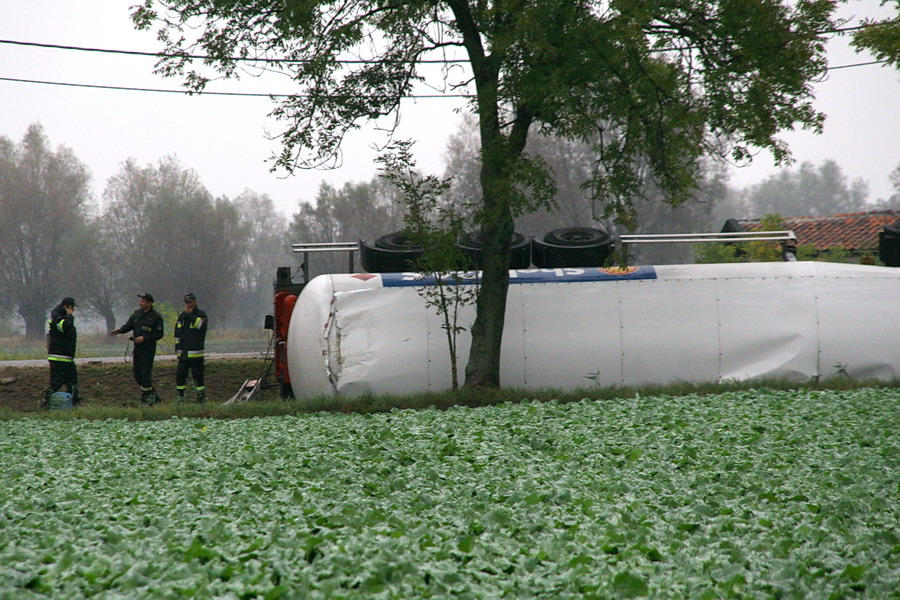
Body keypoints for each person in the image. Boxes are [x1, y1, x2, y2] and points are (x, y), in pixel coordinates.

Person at [110, 293, 165, 404]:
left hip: (148, 349)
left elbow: (159, 334)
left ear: (149, 303)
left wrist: (144, 338)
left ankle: (146, 400)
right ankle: (154, 397)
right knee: (138, 375)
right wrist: (120, 330)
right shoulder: (137, 314)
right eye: (140, 301)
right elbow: (129, 325)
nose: (140, 303)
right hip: (138, 349)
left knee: (145, 374)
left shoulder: (156, 317)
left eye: (143, 301)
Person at [43, 296, 80, 407]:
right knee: (56, 383)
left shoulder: (61, 315)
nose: (73, 310)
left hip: (67, 357)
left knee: (72, 382)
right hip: (59, 356)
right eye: (72, 308)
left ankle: (75, 402)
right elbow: (65, 328)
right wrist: (69, 316)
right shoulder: (58, 316)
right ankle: (46, 402)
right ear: (67, 307)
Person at [174, 292, 208, 402]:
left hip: (196, 353)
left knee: (198, 376)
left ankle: (201, 397)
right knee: (180, 375)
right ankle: (181, 397)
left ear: (195, 302)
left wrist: (190, 315)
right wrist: (177, 347)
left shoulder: (201, 315)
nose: (188, 305)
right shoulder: (182, 316)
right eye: (186, 302)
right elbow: (177, 333)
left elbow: (199, 326)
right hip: (183, 353)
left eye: (190, 302)